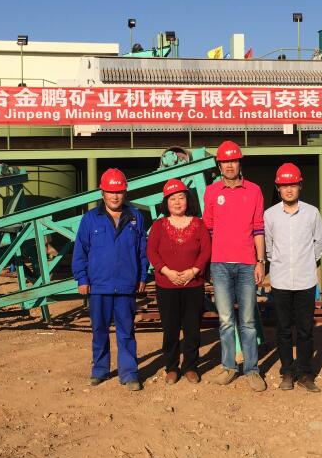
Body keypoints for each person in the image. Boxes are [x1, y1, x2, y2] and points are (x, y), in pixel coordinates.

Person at [72, 168, 148, 391]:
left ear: (125, 192)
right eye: (110, 191)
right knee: (99, 330)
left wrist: (142, 275)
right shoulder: (90, 219)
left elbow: (142, 250)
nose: (115, 196)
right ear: (102, 192)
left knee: (126, 331)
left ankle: (129, 373)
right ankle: (100, 370)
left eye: (119, 191)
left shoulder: (135, 217)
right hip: (99, 285)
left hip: (126, 285)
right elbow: (80, 251)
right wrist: (82, 278)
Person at [202, 140, 267, 392]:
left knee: (248, 321)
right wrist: (208, 263)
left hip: (247, 265)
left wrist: (260, 261)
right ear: (219, 165)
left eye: (233, 161)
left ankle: (252, 369)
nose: (229, 166)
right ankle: (229, 367)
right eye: (225, 162)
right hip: (219, 265)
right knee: (226, 320)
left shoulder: (254, 191)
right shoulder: (211, 192)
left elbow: (258, 228)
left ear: (240, 163)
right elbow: (208, 229)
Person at [264, 162, 322, 393]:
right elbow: (268, 247)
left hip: (305, 280)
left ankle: (305, 374)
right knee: (283, 329)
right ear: (278, 188)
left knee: (305, 329)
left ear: (300, 186)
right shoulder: (270, 215)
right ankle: (287, 372)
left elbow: (320, 242)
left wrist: (306, 261)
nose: (288, 189)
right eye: (284, 185)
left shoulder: (312, 213)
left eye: (292, 185)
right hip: (281, 281)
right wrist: (281, 263)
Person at [147, 179, 212, 385]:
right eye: (172, 198)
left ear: (187, 200)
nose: (177, 202)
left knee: (192, 328)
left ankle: (191, 367)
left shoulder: (198, 224)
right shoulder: (159, 226)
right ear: (166, 203)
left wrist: (193, 271)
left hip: (193, 285)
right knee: (171, 329)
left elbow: (206, 250)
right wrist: (168, 272)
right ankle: (172, 367)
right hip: (167, 285)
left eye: (181, 198)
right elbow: (152, 251)